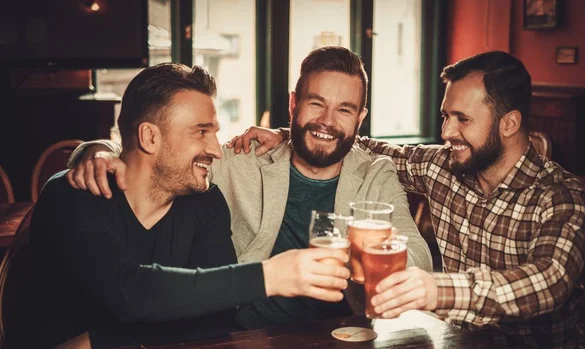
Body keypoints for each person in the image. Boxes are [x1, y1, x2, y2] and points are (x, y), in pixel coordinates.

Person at [226, 51, 585, 349]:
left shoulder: (561, 197)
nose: (446, 131)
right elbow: (351, 141)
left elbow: (550, 281)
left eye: (462, 119)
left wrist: (436, 288)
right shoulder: (444, 167)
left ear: (509, 123)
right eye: (445, 116)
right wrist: (289, 132)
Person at [65, 47, 433, 329]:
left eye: (344, 110)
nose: (326, 121)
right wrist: (98, 149)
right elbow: (167, 154)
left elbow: (419, 255)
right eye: (315, 103)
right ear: (293, 103)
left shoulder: (375, 174)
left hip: (338, 336)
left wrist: (371, 261)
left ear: (360, 119)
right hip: (243, 335)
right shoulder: (243, 158)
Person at [28, 63, 351, 349]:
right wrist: (271, 275)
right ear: (149, 137)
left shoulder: (205, 202)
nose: (215, 150)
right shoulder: (75, 195)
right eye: (201, 131)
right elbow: (128, 291)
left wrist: (101, 342)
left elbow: (216, 321)